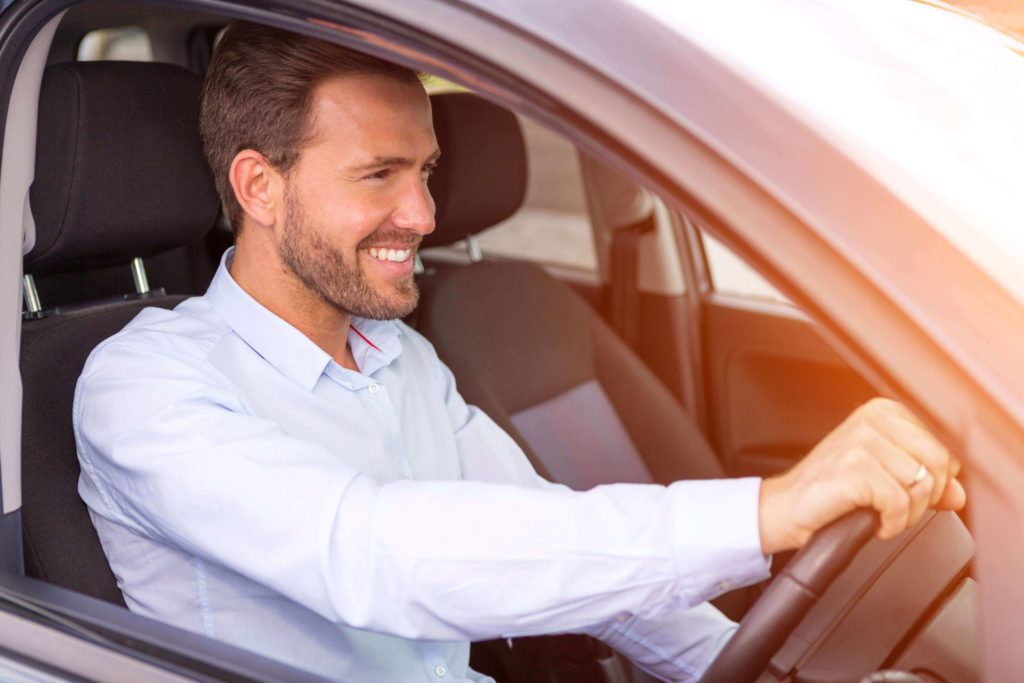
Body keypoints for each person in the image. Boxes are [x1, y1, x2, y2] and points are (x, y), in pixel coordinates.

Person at [73, 21, 965, 683]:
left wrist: (750, 667)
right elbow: (382, 557)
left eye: (424, 171)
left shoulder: (400, 361)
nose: (424, 214)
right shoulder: (148, 386)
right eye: (379, 174)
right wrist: (769, 510)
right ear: (259, 187)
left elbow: (562, 548)